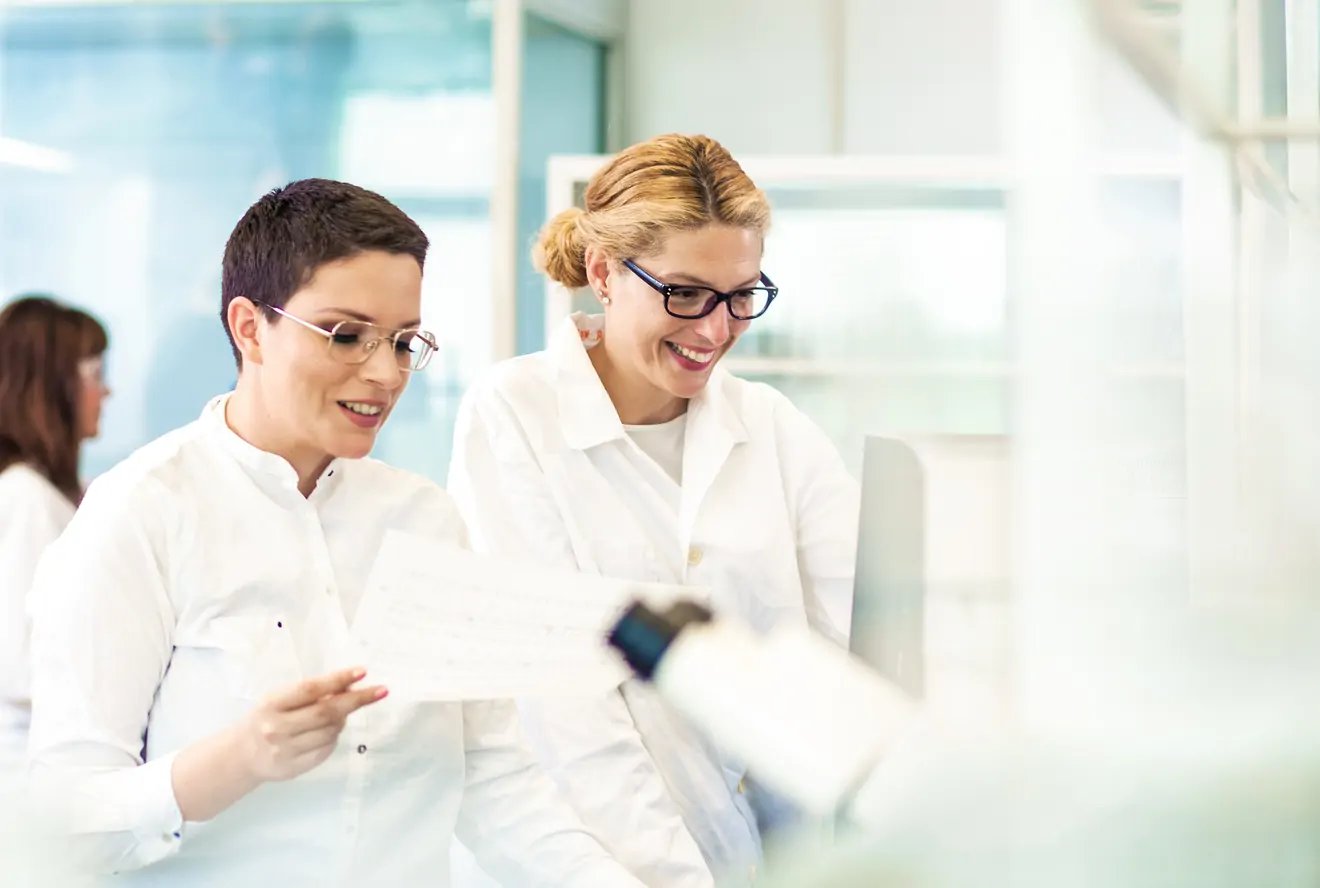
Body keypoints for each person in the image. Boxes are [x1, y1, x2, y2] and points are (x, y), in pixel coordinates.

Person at [26, 179, 645, 887]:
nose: (384, 374)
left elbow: (496, 779)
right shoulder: (139, 513)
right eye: (346, 336)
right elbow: (61, 825)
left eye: (406, 342)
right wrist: (237, 760)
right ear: (250, 327)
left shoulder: (425, 521)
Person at [447, 134, 860, 886]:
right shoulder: (516, 414)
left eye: (742, 296)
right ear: (603, 273)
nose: (713, 329)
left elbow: (844, 649)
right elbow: (566, 708)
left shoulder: (772, 428)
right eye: (685, 293)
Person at [0, 295, 110, 776]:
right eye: (95, 376)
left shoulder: (56, 496)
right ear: (52, 386)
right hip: (24, 768)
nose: (106, 393)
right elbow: (21, 666)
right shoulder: (24, 498)